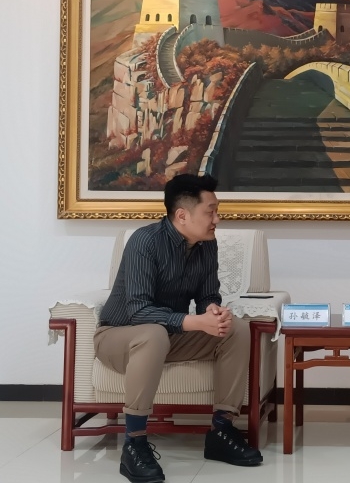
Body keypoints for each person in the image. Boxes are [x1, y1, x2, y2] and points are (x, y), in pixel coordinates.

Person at [95, 173, 262, 483]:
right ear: (182, 215)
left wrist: (212, 311)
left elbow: (208, 295)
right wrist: (195, 322)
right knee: (153, 333)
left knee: (235, 329)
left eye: (217, 211)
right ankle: (134, 444)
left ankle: (221, 430)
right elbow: (139, 311)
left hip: (168, 337)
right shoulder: (145, 242)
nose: (217, 219)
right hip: (119, 337)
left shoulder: (206, 245)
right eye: (210, 212)